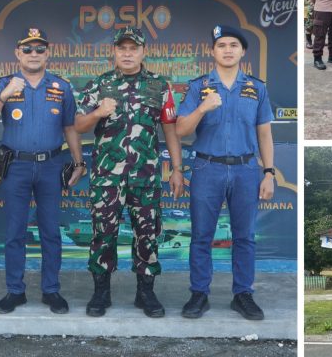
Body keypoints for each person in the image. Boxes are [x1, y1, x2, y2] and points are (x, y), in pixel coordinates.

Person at [75, 26, 183, 318]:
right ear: (113, 51)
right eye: (122, 48)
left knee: (147, 234)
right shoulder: (98, 85)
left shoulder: (160, 86)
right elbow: (78, 125)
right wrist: (98, 112)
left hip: (145, 176)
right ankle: (101, 292)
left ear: (143, 52)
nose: (127, 53)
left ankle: (145, 292)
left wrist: (176, 169)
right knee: (103, 234)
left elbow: (170, 131)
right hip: (107, 177)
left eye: (133, 48)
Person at [0, 28, 85, 315]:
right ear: (17, 54)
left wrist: (78, 162)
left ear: (48, 53)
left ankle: (51, 290)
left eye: (39, 49)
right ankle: (15, 290)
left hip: (51, 165)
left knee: (50, 231)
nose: (34, 54)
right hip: (16, 166)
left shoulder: (61, 87)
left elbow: (70, 127)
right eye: (27, 49)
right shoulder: (5, 84)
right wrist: (4, 96)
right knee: (15, 231)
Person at [176, 25, 275, 321]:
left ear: (243, 51)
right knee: (201, 235)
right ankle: (199, 293)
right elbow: (181, 130)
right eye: (221, 45)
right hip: (208, 167)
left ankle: (242, 294)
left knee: (244, 236)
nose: (228, 50)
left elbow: (265, 134)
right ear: (212, 52)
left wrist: (268, 172)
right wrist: (202, 108)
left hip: (246, 169)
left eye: (234, 45)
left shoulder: (256, 88)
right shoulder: (198, 87)